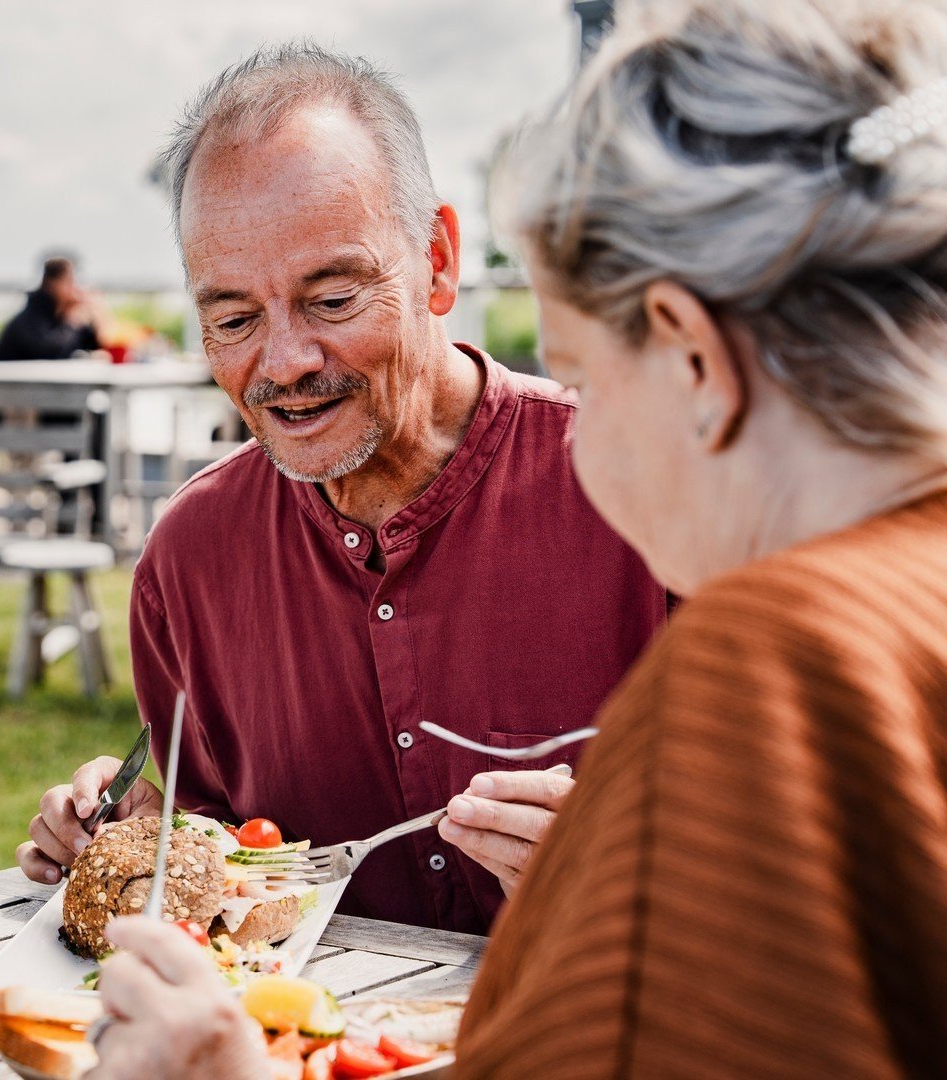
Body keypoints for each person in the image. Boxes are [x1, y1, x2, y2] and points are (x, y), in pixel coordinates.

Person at [88, 1, 947, 1076]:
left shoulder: (771, 651)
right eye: (233, 317)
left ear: (692, 360)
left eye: (580, 376)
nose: (573, 431)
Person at [18, 44, 668, 937]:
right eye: (234, 318)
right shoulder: (189, 562)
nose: (284, 362)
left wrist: (641, 870)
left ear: (438, 260)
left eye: (332, 300)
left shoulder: (649, 493)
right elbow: (225, 859)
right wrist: (148, 843)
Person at [0, 256, 103, 360]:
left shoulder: (60, 316)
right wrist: (72, 323)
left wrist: (96, 316)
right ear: (52, 284)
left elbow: (94, 344)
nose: (75, 289)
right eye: (69, 282)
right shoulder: (30, 319)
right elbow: (48, 354)